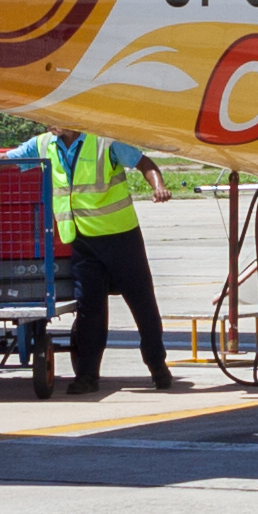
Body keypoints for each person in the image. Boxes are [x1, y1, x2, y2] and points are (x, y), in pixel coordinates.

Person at [41, 120, 180, 392]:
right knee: (89, 309)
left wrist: (158, 185)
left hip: (121, 237)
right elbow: (6, 157)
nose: (47, 122)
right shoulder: (45, 143)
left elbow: (144, 162)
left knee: (141, 303)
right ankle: (87, 376)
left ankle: (157, 366)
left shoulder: (105, 141)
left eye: (52, 116)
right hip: (82, 241)